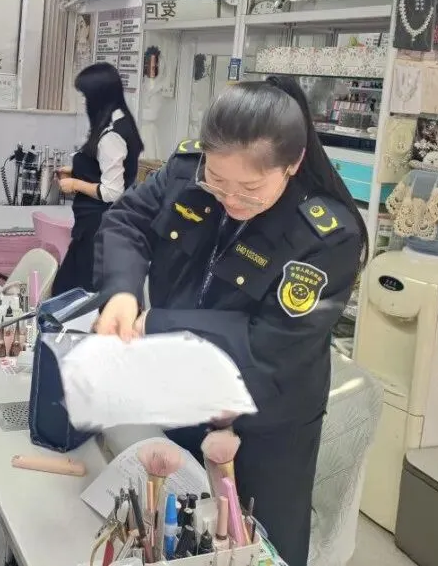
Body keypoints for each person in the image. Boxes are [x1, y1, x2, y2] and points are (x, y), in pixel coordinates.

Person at [93, 78, 366, 566]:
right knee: (169, 536)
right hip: (179, 400)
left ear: (293, 163)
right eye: (217, 180)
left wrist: (155, 325)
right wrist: (121, 293)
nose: (231, 199)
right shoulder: (186, 173)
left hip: (263, 429)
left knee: (254, 550)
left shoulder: (325, 237)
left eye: (251, 189)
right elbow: (127, 222)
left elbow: (268, 346)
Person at [53, 62, 144, 293]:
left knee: (75, 293)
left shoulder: (112, 134)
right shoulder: (116, 121)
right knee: (65, 288)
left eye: (86, 97)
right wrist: (77, 171)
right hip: (91, 226)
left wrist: (75, 183)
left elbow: (112, 191)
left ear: (99, 96)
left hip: (99, 227)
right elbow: (106, 168)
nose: (85, 103)